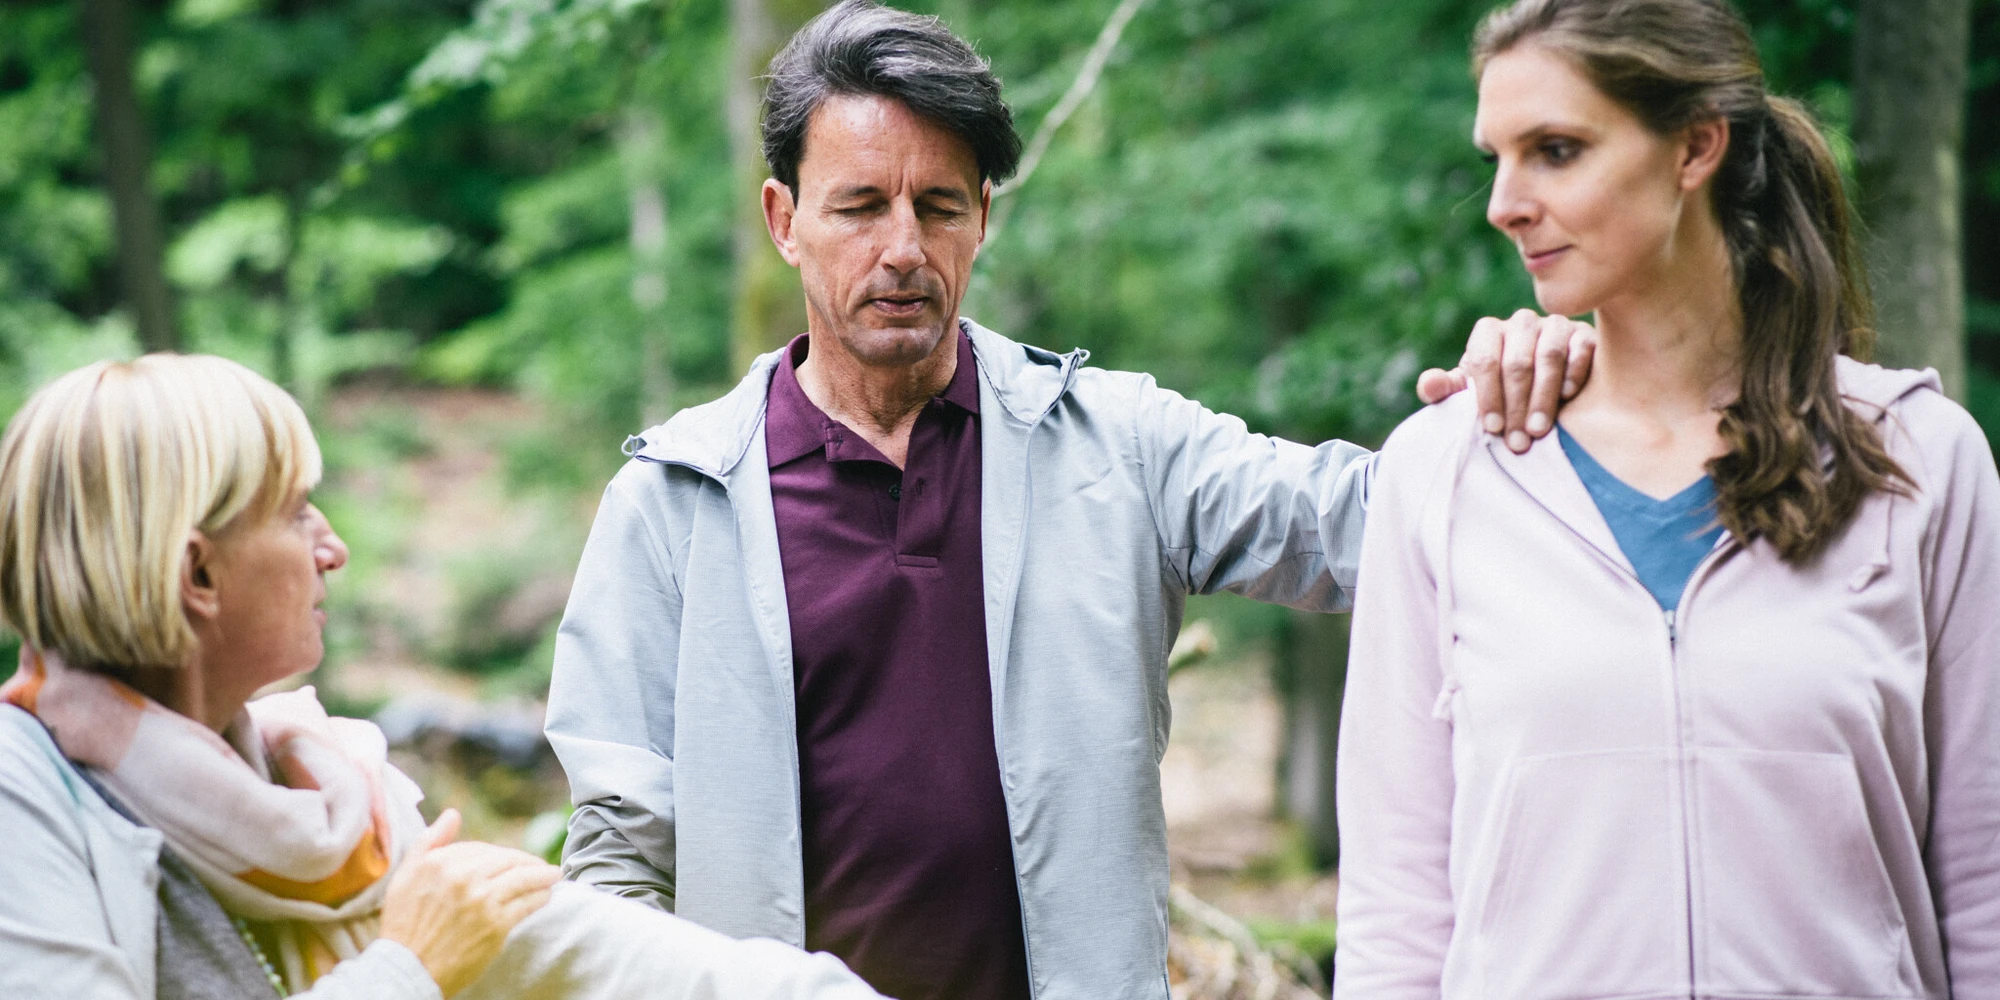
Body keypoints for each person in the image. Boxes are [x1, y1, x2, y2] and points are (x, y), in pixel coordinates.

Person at [544, 3, 1594, 999]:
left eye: (938, 206)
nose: (902, 248)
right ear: (784, 220)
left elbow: (1367, 522)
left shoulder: (1114, 447)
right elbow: (618, 863)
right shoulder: (673, 505)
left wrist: (1543, 398)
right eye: (859, 207)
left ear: (981, 218)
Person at [1333, 0, 2000, 996]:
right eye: (1496, 159)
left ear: (1694, 146)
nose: (1504, 203)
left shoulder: (1916, 460)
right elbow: (1394, 914)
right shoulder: (1444, 472)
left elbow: (1984, 881)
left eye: (1555, 151)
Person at [0, 354, 892, 1000]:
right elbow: (433, 947)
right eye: (295, 511)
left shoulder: (323, 787)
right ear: (197, 573)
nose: (332, 547)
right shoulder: (25, 799)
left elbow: (608, 957)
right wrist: (408, 970)